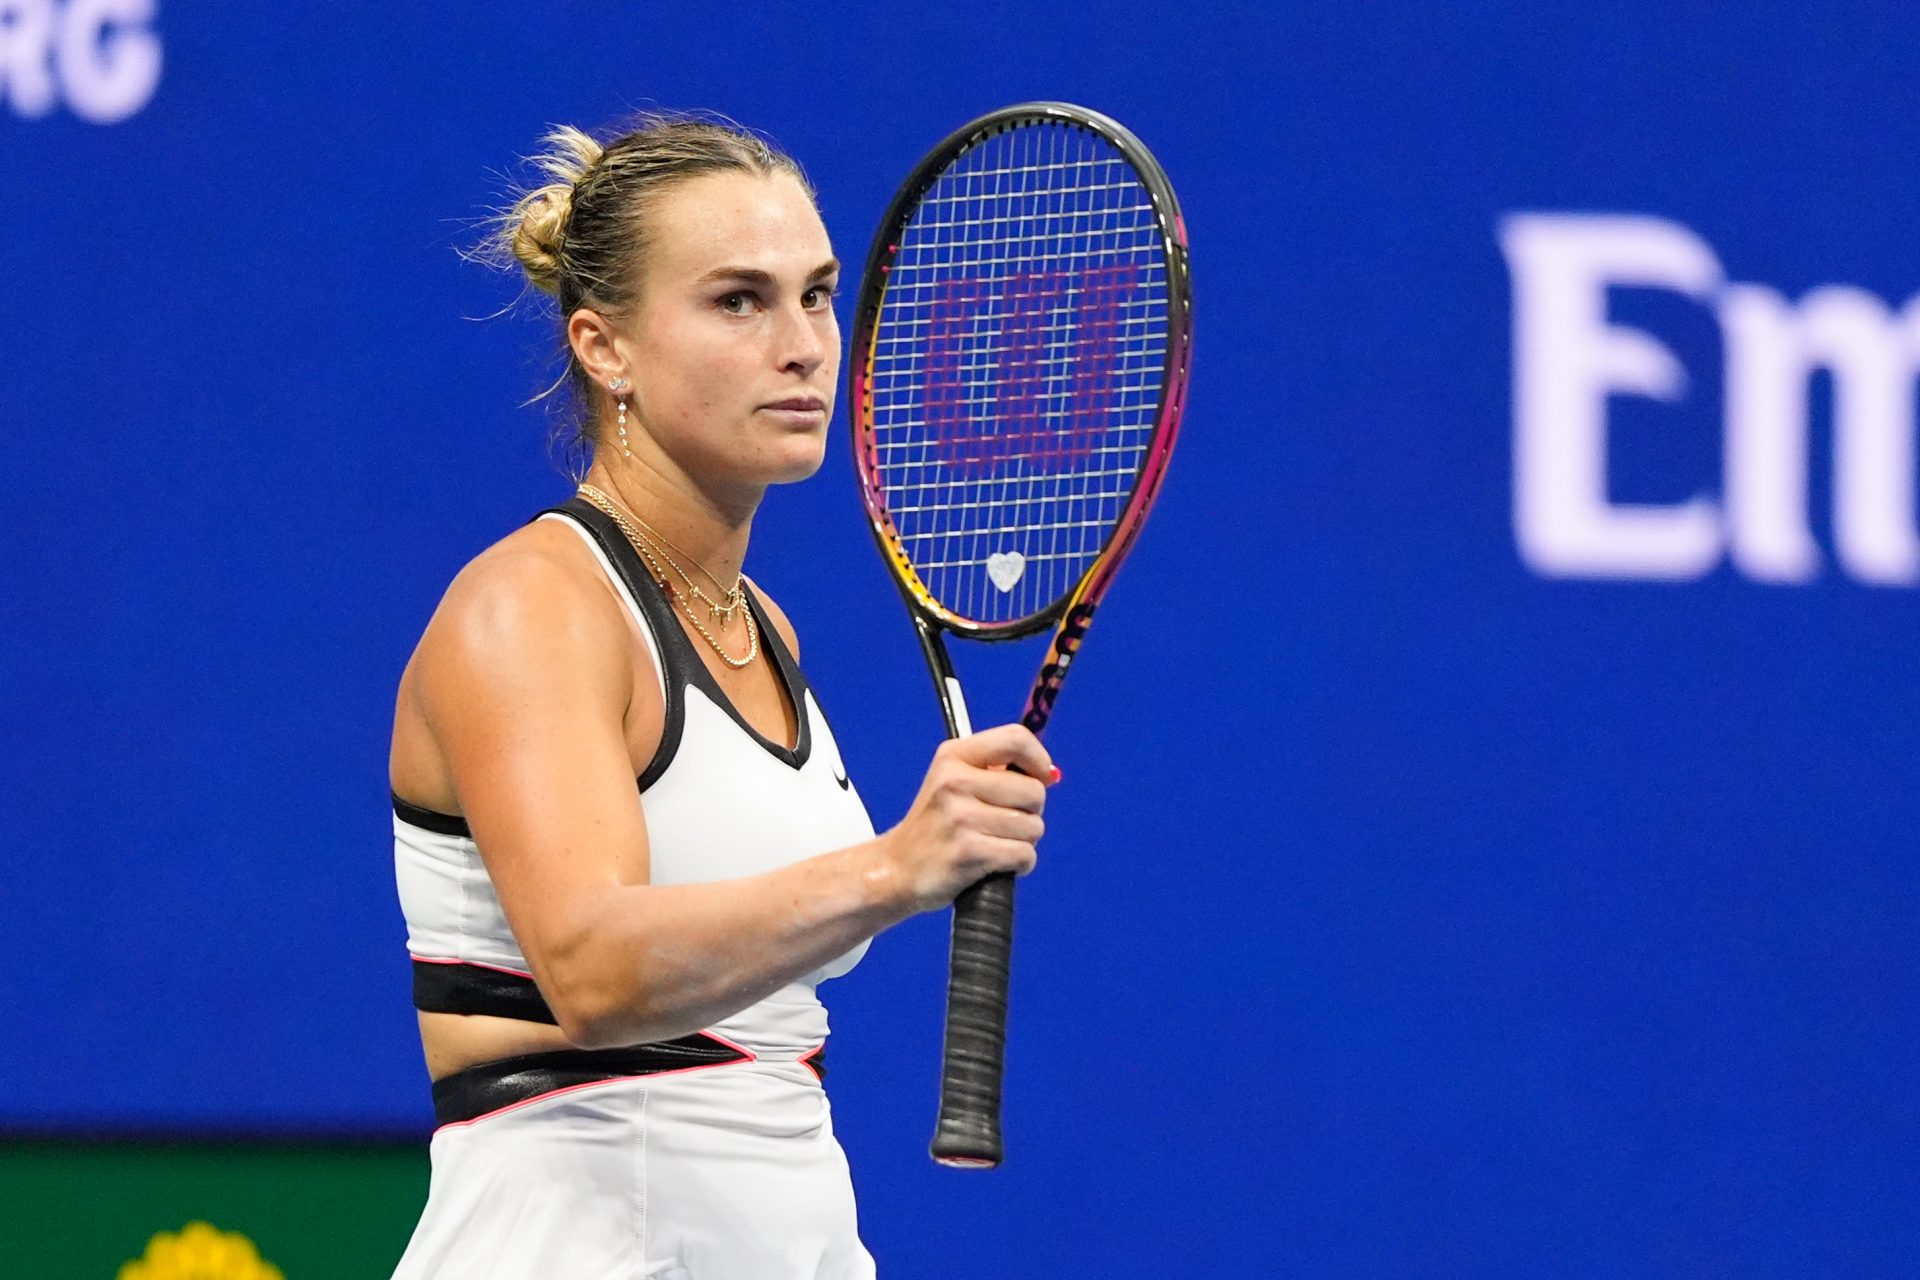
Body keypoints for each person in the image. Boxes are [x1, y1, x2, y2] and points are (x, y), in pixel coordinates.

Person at [384, 113, 1057, 1279]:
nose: (803, 345)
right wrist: (898, 867)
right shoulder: (534, 608)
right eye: (738, 301)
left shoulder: (761, 629)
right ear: (606, 348)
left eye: (816, 294)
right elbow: (593, 970)